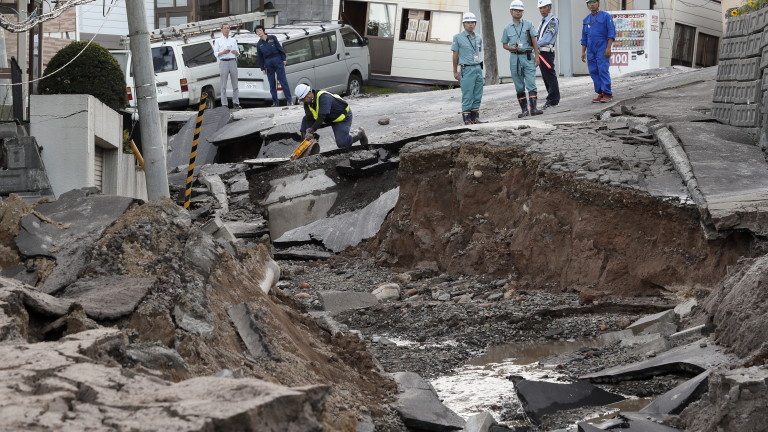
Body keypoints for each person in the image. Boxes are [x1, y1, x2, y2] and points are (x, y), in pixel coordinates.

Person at [501, 0, 543, 118]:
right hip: (514, 58)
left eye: (520, 10)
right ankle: (524, 110)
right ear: (511, 11)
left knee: (531, 83)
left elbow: (534, 40)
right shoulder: (507, 28)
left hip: (528, 56)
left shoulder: (528, 24)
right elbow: (504, 44)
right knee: (519, 85)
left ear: (522, 12)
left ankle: (533, 108)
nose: (518, 12)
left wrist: (537, 56)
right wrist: (511, 47)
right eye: (516, 10)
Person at [295, 83, 367, 149]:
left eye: (303, 99)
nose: (303, 101)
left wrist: (312, 130)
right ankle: (304, 147)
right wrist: (308, 131)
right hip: (328, 119)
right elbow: (309, 118)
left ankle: (360, 132)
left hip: (341, 118)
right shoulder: (307, 102)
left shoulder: (324, 97)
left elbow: (321, 117)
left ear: (309, 94)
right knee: (305, 121)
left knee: (342, 144)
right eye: (301, 100)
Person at [451, 12, 486, 125]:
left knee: (478, 94)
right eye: (468, 23)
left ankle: (474, 119)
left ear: (475, 24)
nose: (470, 25)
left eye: (472, 22)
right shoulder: (458, 37)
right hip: (466, 69)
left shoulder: (478, 37)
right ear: (464, 24)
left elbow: (478, 52)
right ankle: (467, 121)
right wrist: (455, 71)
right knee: (467, 94)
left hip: (477, 68)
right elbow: (455, 55)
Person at [581, 0, 616, 103]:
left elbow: (611, 33)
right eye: (589, 3)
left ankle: (607, 93)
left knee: (602, 69)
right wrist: (583, 52)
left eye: (594, 2)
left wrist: (608, 48)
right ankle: (600, 92)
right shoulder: (586, 20)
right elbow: (584, 37)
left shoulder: (606, 16)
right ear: (587, 5)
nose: (592, 5)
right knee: (593, 71)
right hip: (591, 49)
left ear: (598, 3)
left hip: (602, 47)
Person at [255, 25, 293, 107]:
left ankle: (289, 100)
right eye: (257, 31)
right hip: (268, 63)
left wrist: (284, 59)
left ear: (263, 30)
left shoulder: (272, 38)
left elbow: (280, 48)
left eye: (260, 30)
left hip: (277, 60)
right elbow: (260, 57)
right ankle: (275, 102)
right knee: (272, 83)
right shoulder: (259, 44)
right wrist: (262, 68)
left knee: (283, 81)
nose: (259, 32)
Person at [537, 0, 560, 109]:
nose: (542, 10)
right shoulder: (543, 21)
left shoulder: (552, 21)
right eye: (540, 8)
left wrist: (533, 44)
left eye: (544, 7)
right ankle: (551, 98)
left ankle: (553, 99)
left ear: (549, 7)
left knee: (550, 76)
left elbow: (547, 38)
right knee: (546, 77)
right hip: (541, 52)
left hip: (546, 52)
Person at [213, 24, 240, 109]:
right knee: (223, 85)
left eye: (228, 28)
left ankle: (236, 102)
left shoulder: (233, 40)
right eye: (225, 28)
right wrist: (223, 52)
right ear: (221, 30)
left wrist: (236, 52)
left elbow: (238, 53)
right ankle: (224, 104)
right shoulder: (218, 41)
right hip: (223, 62)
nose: (227, 30)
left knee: (235, 84)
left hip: (232, 61)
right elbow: (215, 53)